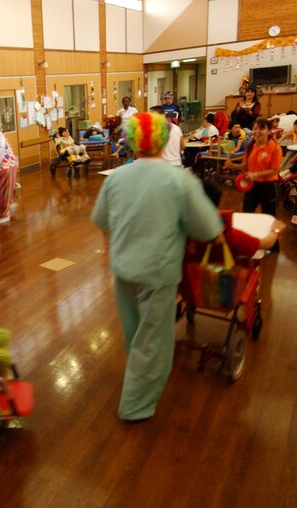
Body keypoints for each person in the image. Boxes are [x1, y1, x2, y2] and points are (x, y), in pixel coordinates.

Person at [90, 112, 222, 421]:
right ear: (164, 140)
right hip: (157, 271)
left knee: (135, 332)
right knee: (152, 340)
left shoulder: (116, 177)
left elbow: (102, 220)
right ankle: (135, 405)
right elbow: (208, 229)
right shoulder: (179, 180)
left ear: (132, 141)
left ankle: (138, 376)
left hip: (123, 268)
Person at [224, 118, 282, 246]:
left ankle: (272, 246)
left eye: (261, 129)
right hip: (252, 186)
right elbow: (246, 165)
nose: (257, 132)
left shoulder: (275, 148)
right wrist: (232, 165)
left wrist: (255, 174)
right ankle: (247, 243)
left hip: (269, 186)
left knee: (269, 217)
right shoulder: (250, 146)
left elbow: (275, 170)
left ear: (269, 131)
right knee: (247, 214)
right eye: (255, 129)